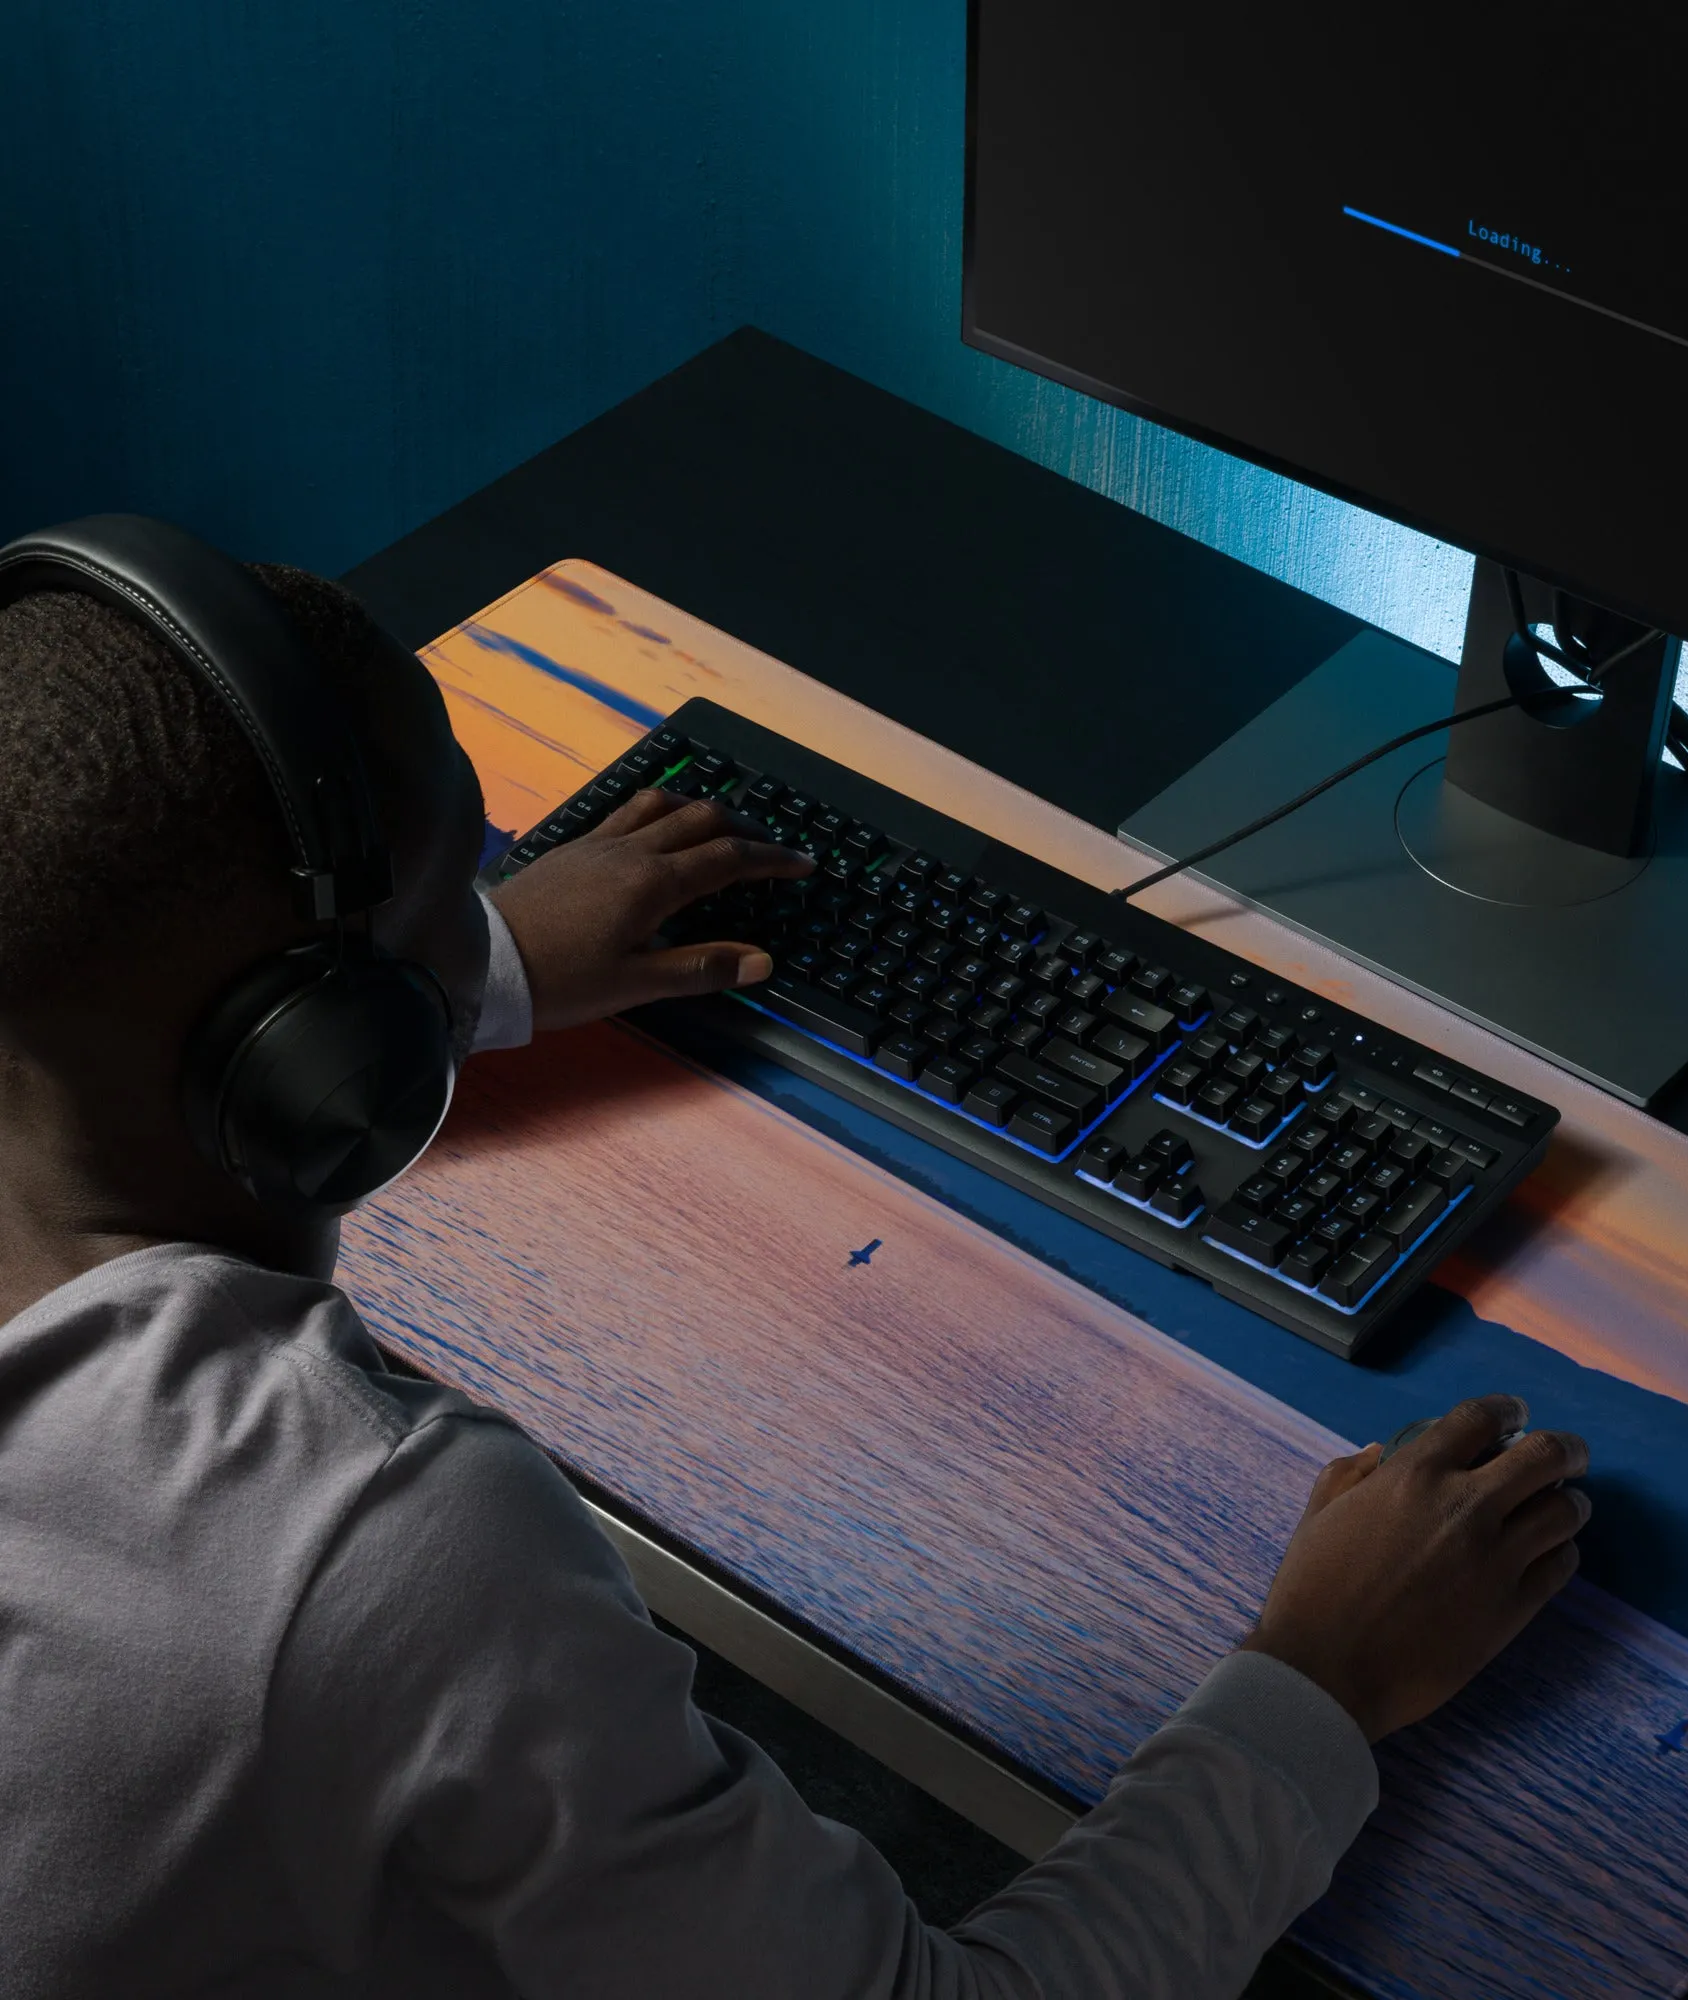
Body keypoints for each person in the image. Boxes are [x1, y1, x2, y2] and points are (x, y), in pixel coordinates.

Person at [0, 549, 1592, 1999]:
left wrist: (475, 965)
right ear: (328, 1062)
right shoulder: (367, 1544)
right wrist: (1320, 1681)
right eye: (446, 907)